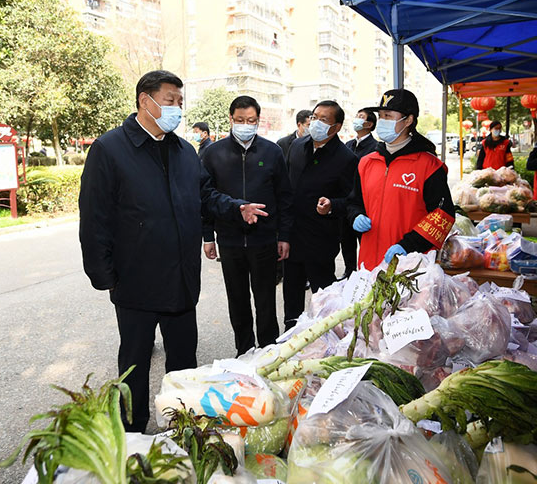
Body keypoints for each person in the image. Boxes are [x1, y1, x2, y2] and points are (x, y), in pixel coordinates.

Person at [79, 70, 267, 432]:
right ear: (144, 101)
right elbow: (94, 217)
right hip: (135, 281)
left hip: (181, 278)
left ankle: (181, 425)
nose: (177, 109)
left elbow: (205, 196)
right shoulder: (110, 149)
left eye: (180, 102)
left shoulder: (183, 151)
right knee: (133, 362)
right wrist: (104, 275)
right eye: (170, 101)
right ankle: (131, 431)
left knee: (183, 361)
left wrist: (235, 207)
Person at [200, 95, 293, 356]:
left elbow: (284, 197)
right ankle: (244, 351)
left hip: (264, 240)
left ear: (258, 121)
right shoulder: (213, 153)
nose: (245, 125)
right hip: (229, 241)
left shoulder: (272, 151)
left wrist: (283, 236)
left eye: (250, 120)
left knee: (265, 300)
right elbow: (205, 198)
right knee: (237, 301)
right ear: (231, 119)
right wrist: (208, 236)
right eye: (240, 120)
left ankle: (267, 351)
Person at [348, 89, 455, 268]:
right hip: (369, 264)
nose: (382, 121)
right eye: (380, 116)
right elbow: (353, 202)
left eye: (388, 116)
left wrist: (408, 245)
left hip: (410, 265)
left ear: (408, 120)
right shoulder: (367, 162)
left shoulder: (429, 166)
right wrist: (355, 216)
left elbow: (443, 215)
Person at [283, 101, 357, 329]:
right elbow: (284, 187)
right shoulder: (297, 146)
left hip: (321, 239)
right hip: (292, 235)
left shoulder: (346, 158)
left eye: (324, 119)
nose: (316, 123)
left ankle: (326, 338)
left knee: (324, 298)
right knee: (291, 294)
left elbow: (352, 201)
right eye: (315, 117)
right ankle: (290, 332)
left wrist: (332, 205)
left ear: (336, 127)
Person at [338, 107, 378, 278]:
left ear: (369, 124)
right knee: (346, 241)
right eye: (356, 116)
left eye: (361, 117)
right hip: (346, 200)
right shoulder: (349, 145)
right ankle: (349, 272)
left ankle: (366, 273)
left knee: (365, 241)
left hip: (363, 203)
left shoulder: (375, 147)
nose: (357, 119)